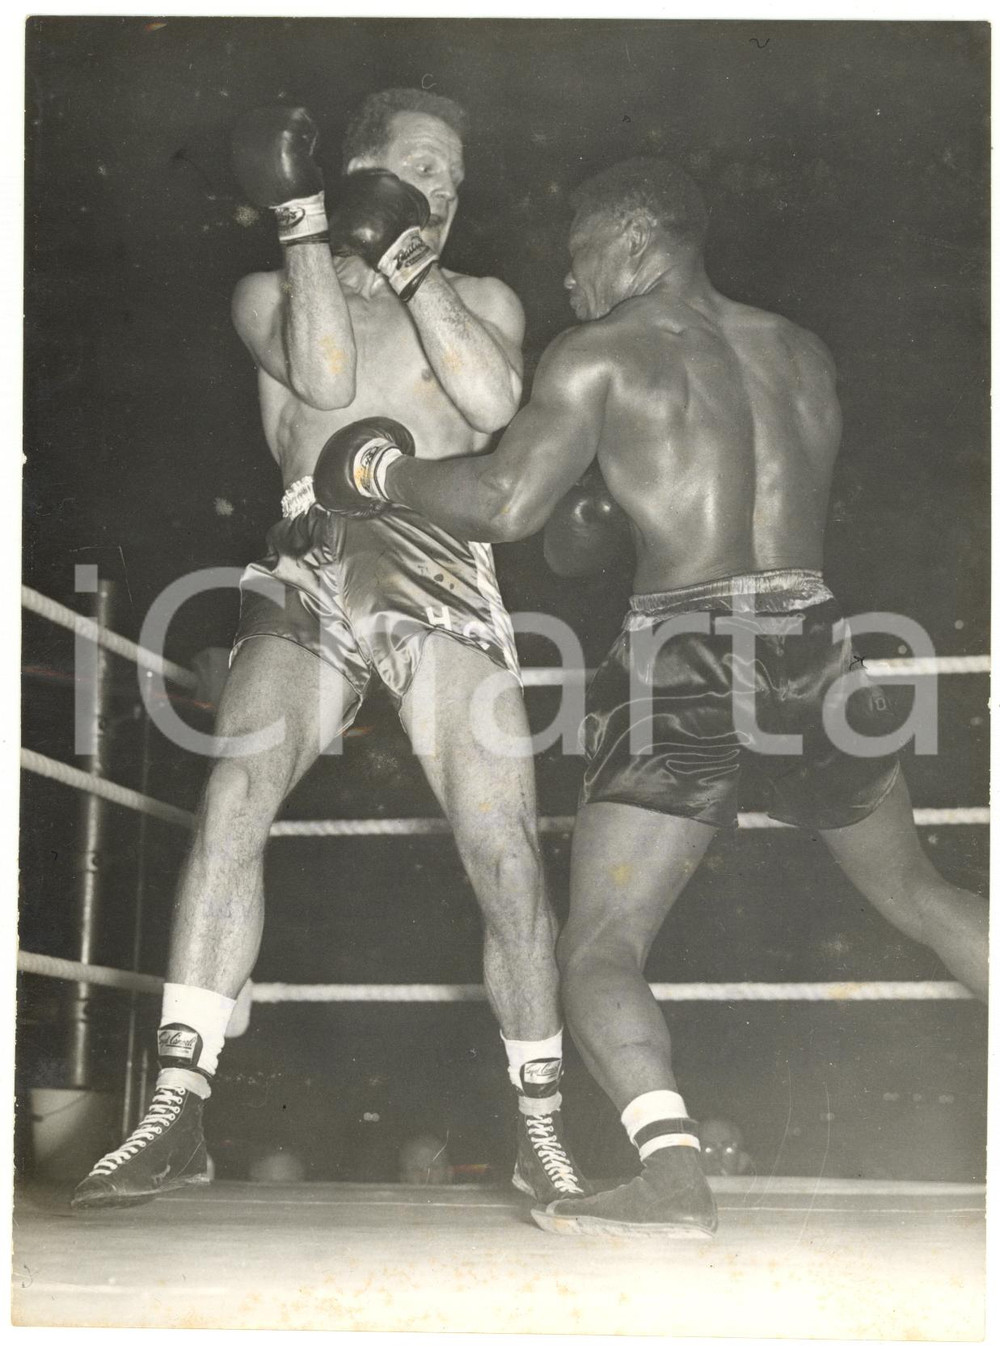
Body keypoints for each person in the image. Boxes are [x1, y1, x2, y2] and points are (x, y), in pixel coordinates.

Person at [315, 156, 989, 1237]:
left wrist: (376, 478)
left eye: (578, 258)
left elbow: (502, 499)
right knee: (918, 894)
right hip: (816, 636)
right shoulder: (799, 351)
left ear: (633, 243)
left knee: (600, 945)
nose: (569, 285)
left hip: (687, 649)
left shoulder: (597, 356)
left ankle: (672, 1180)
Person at [71, 89, 589, 1210]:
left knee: (500, 845)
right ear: (360, 170)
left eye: (456, 177)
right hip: (309, 550)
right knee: (233, 798)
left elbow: (494, 401)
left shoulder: (484, 295)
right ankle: (175, 1111)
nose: (444, 190)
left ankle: (541, 1129)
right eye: (419, 167)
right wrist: (309, 222)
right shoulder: (266, 286)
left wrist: (410, 266)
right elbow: (325, 380)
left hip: (439, 556)